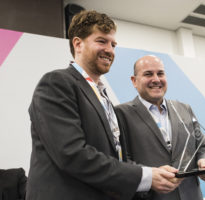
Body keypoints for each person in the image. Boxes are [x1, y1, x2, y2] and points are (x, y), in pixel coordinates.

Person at [26, 11, 179, 200]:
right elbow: (72, 154)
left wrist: (151, 173)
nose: (110, 50)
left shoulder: (101, 96)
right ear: (78, 44)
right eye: (101, 41)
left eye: (113, 44)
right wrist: (145, 176)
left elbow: (114, 157)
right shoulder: (56, 83)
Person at [115, 55, 205, 200]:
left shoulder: (184, 109)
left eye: (160, 73)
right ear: (134, 81)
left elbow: (203, 147)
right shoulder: (121, 113)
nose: (156, 79)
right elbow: (122, 161)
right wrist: (150, 178)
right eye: (148, 74)